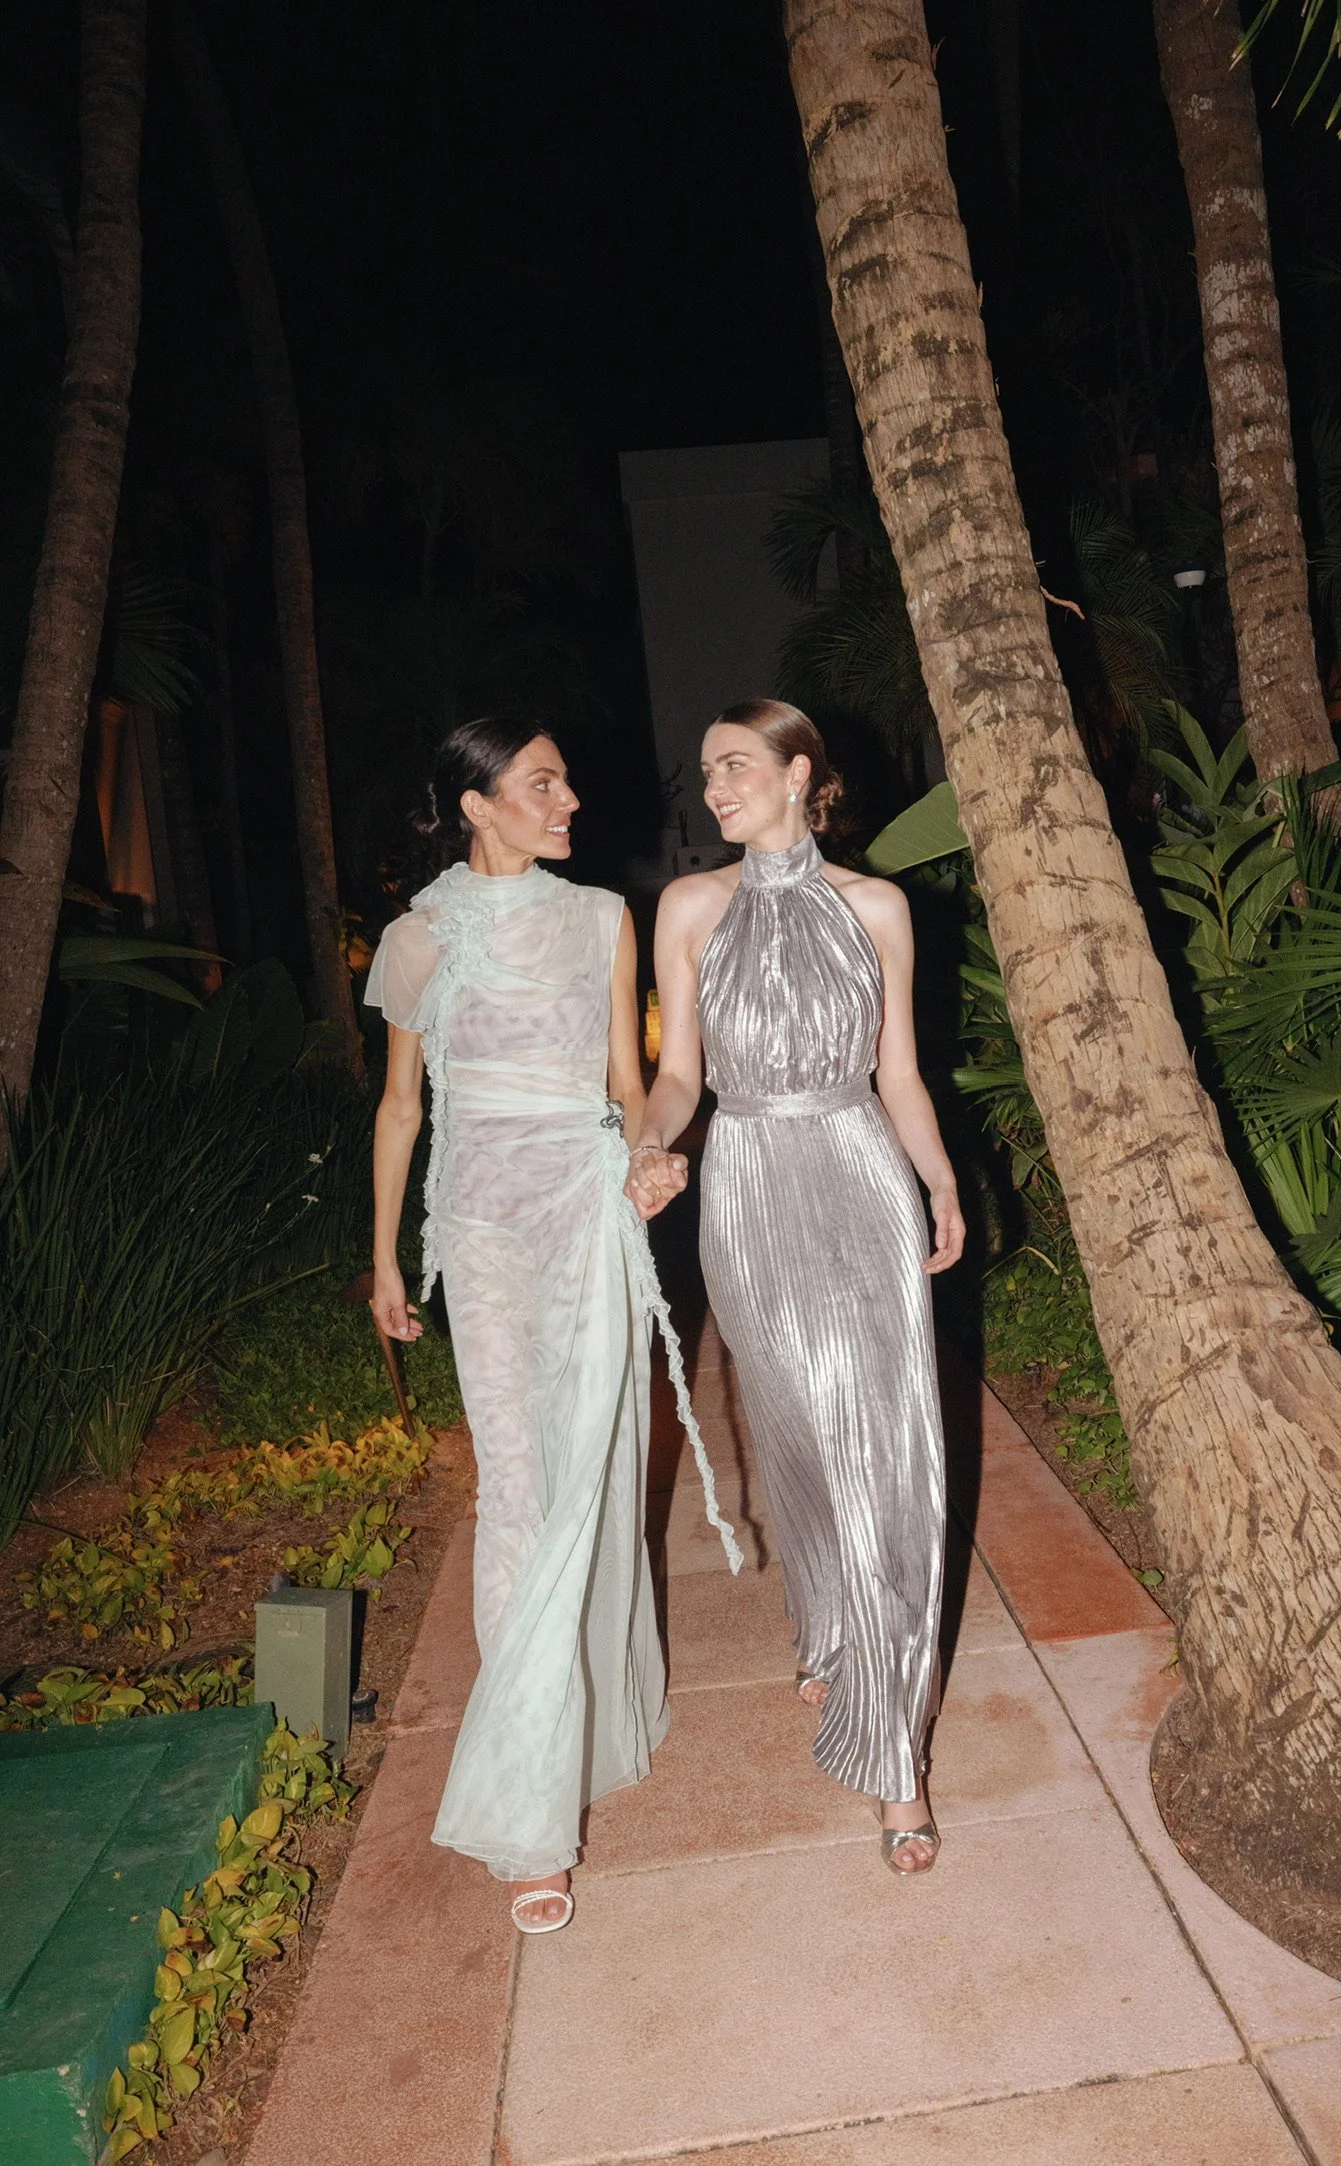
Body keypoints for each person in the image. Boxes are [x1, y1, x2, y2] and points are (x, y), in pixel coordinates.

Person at [368, 718, 738, 1936]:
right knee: (516, 1492)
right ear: (477, 806)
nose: (568, 798)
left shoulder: (598, 920)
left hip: (587, 1215)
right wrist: (385, 1257)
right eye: (541, 784)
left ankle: (579, 1726)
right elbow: (402, 1108)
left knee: (591, 1469)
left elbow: (628, 1083)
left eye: (564, 780)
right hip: (479, 1227)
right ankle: (531, 1810)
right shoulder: (418, 938)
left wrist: (646, 1159)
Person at [626, 699, 963, 1873]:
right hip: (749, 1185)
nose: (713, 788)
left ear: (795, 772)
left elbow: (900, 1073)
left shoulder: (877, 907)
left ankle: (894, 1756)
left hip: (859, 1173)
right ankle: (828, 1627)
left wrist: (939, 1181)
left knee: (882, 1449)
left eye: (733, 766)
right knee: (798, 1437)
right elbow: (678, 1075)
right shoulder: (688, 906)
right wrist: (651, 1144)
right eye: (706, 770)